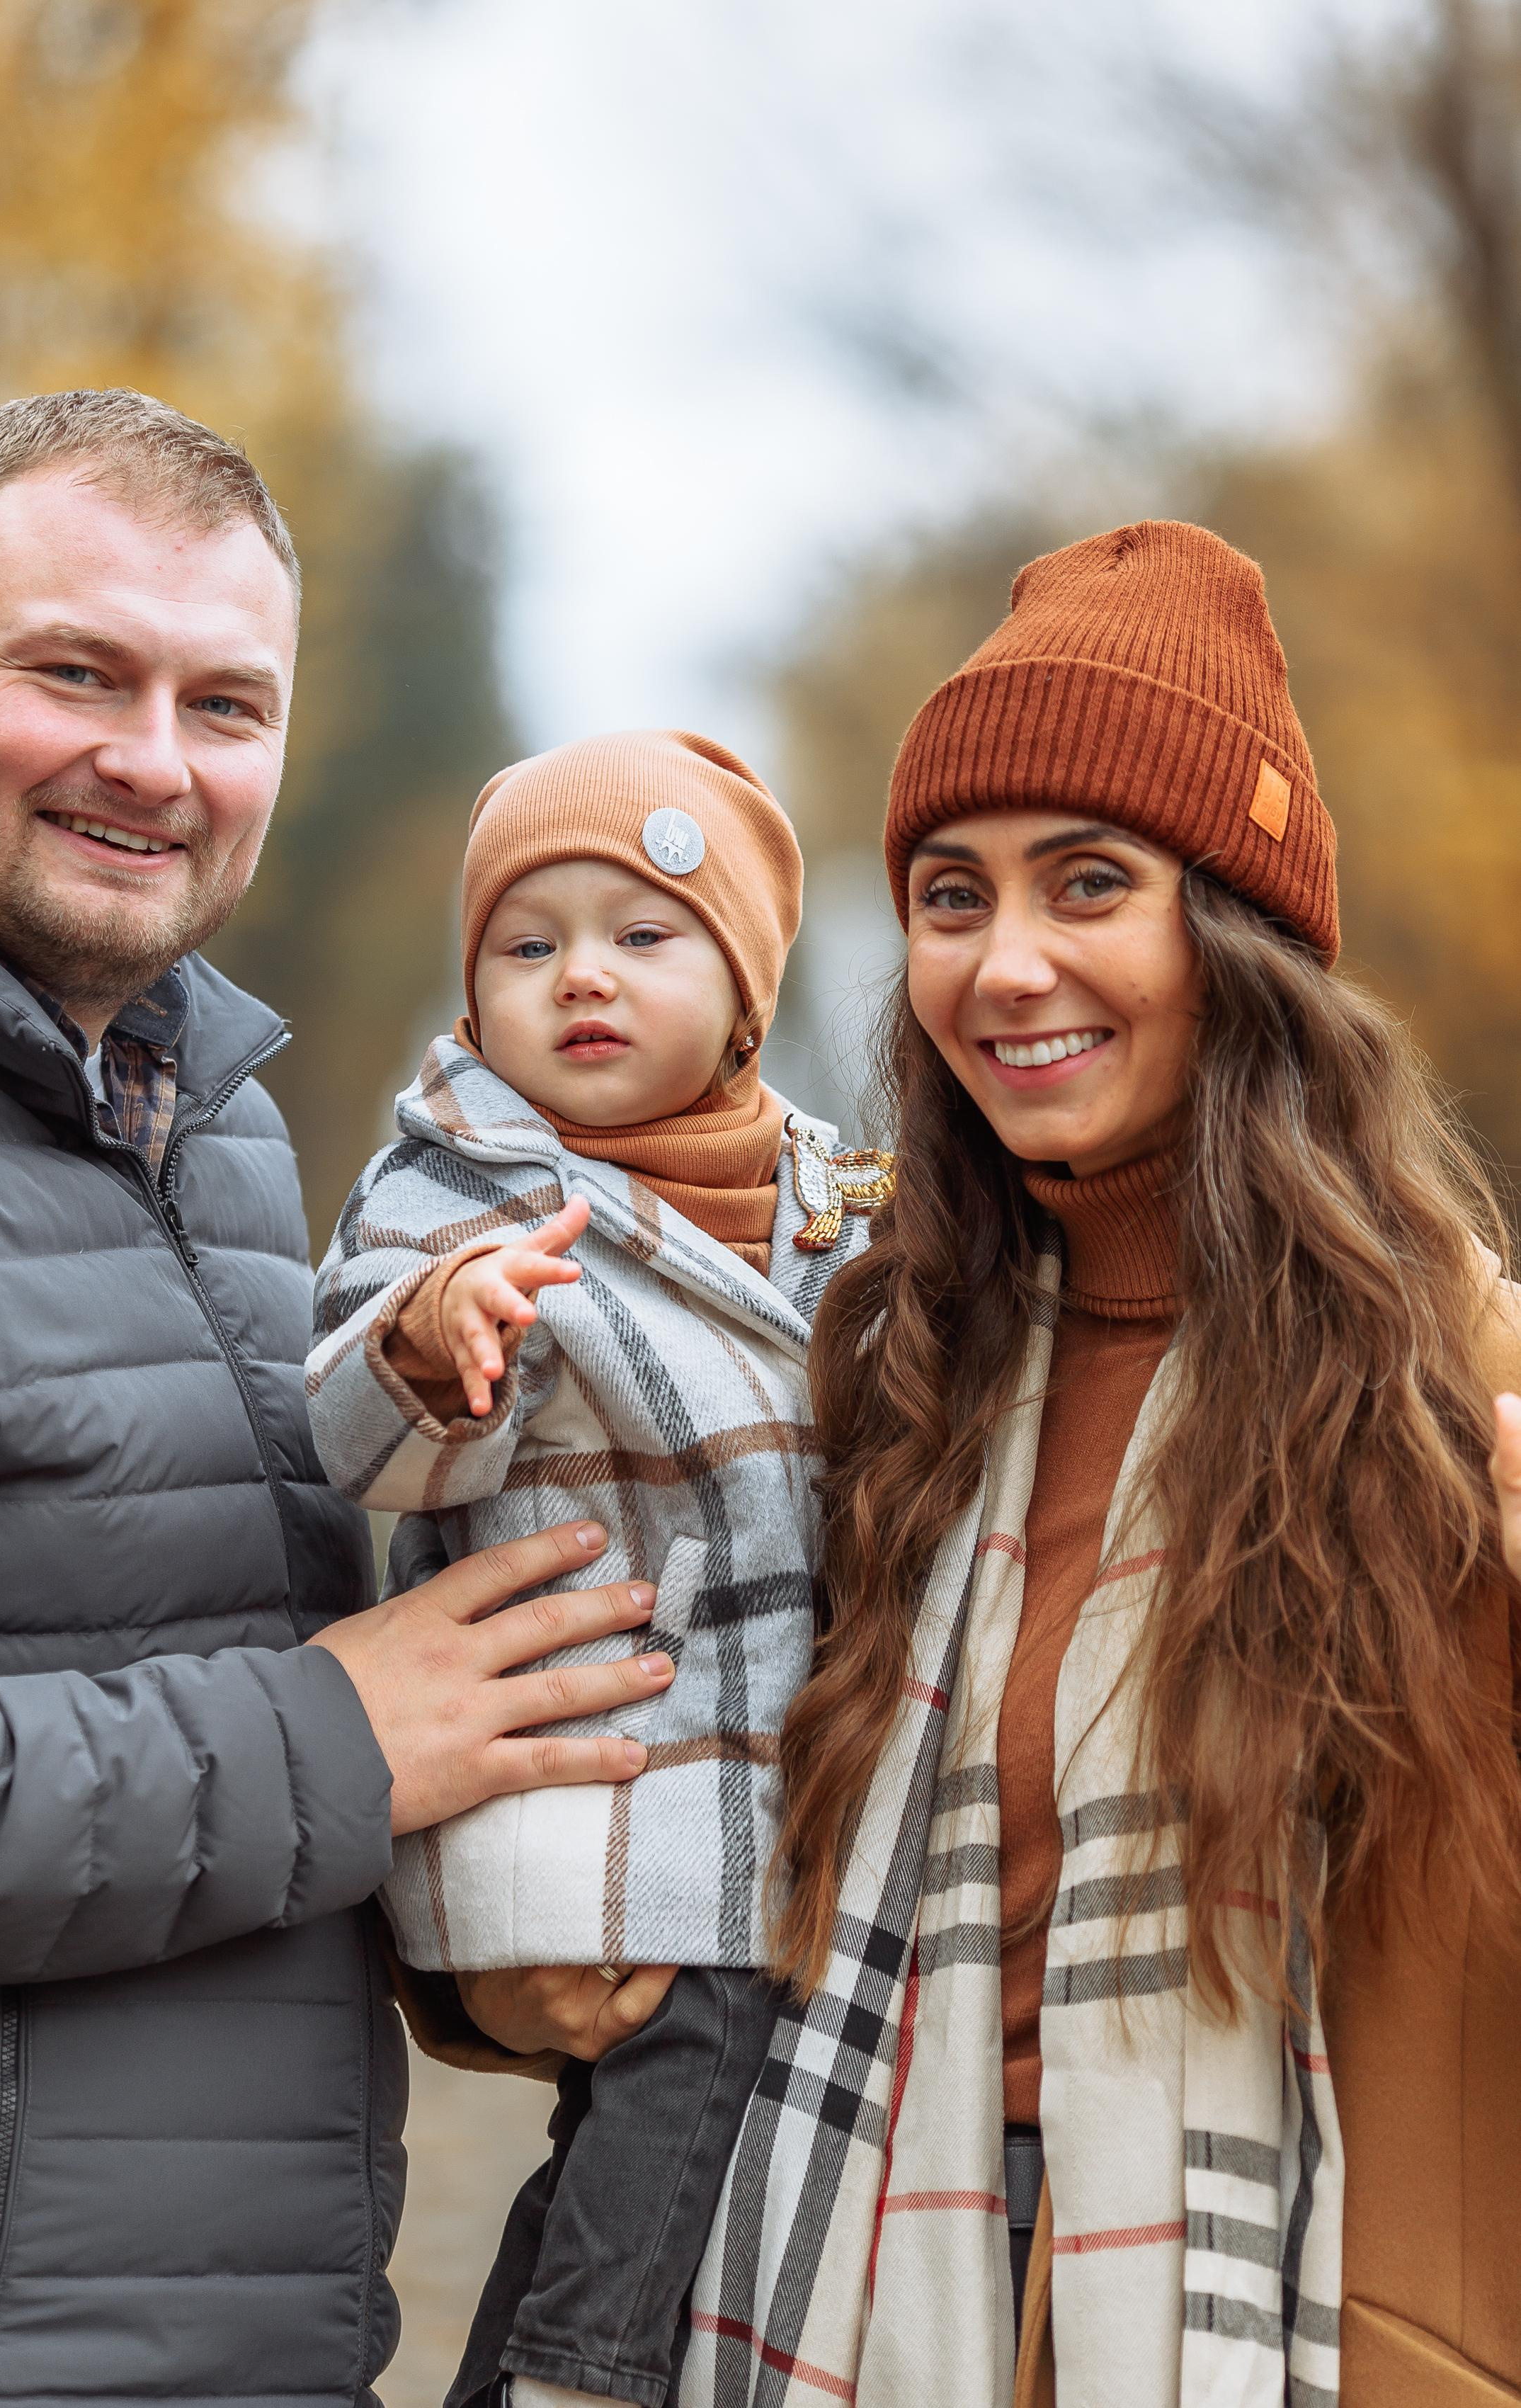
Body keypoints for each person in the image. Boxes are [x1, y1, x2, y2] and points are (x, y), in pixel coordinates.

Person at [0, 387, 682, 2408]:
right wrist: (345, 1731)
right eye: (76, 673)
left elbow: (231, 1697)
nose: (150, 763)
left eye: (224, 706)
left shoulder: (210, 1134)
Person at [647, 519, 1515, 2406]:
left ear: (1231, 941)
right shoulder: (889, 1376)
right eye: (949, 897)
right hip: (872, 2311)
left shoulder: (1447, 1396)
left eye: (1086, 884)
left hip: (1313, 2336)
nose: (1003, 962)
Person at [305, 731, 891, 2408]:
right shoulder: (465, 1184)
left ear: (746, 988)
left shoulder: (825, 1192)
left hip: (740, 1771)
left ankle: (528, 2365)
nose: (582, 979)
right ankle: (584, 2373)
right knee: (700, 2050)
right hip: (605, 1770)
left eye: (644, 936)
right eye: (528, 941)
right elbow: (364, 1434)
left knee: (660, 2127)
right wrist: (438, 1337)